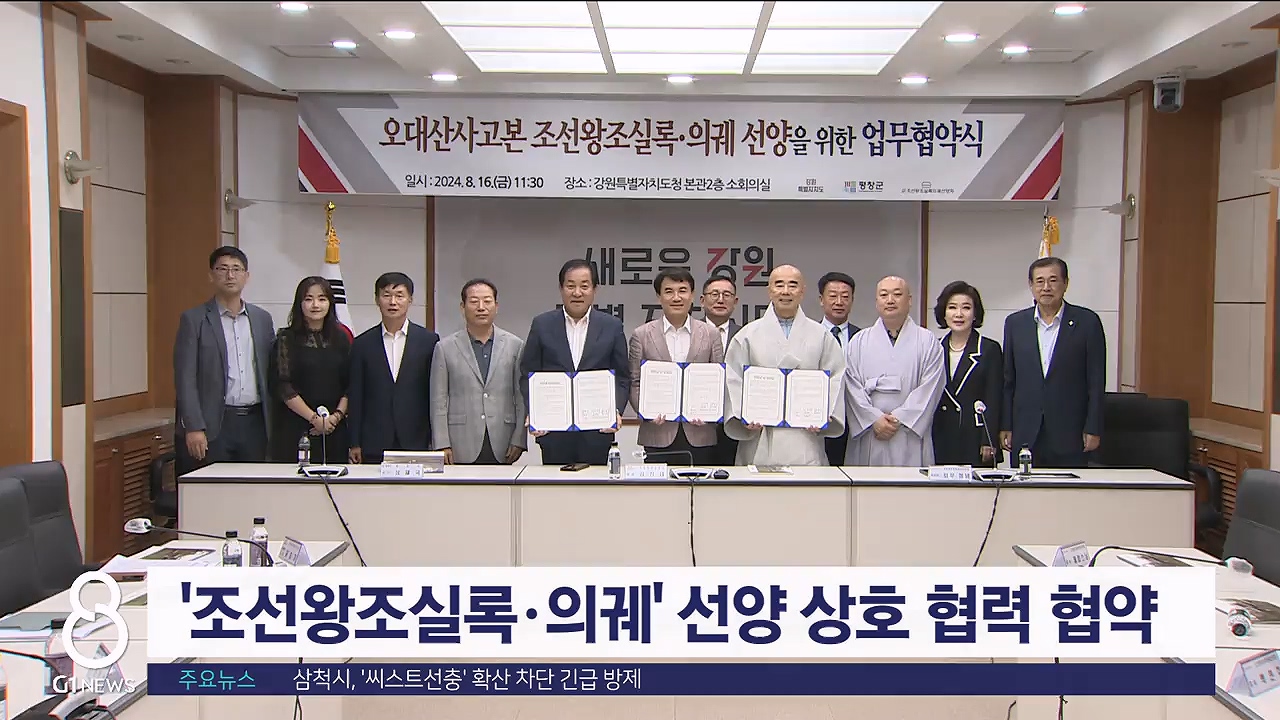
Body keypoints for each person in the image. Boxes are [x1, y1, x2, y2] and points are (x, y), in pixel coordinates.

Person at [723, 265, 845, 466]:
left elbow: (836, 376)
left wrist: (824, 416)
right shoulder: (747, 335)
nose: (786, 291)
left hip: (805, 436)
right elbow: (733, 378)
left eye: (793, 285)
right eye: (779, 285)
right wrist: (743, 416)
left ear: (802, 291)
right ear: (769, 290)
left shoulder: (821, 335)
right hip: (760, 436)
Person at [173, 246, 275, 475]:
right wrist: (194, 426)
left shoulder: (262, 319)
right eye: (223, 269)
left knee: (253, 489)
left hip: (255, 423)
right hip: (213, 425)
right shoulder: (194, 319)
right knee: (214, 490)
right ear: (211, 275)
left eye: (236, 269)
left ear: (247, 276)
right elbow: (185, 378)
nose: (230, 275)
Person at [520, 259, 629, 466]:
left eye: (584, 286)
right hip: (554, 433)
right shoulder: (542, 324)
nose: (577, 292)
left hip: (597, 432)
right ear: (561, 289)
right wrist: (534, 410)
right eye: (570, 286)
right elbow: (528, 373)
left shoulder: (612, 326)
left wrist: (615, 410)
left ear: (595, 289)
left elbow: (622, 377)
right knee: (554, 486)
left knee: (595, 486)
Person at [1001, 257, 1106, 468]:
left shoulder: (1087, 322)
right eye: (1039, 281)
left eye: (1053, 280)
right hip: (1026, 431)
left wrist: (1093, 427)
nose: (1046, 287)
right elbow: (1008, 380)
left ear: (1065, 283)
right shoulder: (1015, 324)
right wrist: (1006, 425)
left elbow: (1096, 381)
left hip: (1071, 432)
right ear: (1031, 285)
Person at [844, 276, 945, 467]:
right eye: (884, 295)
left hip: (909, 433)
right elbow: (851, 387)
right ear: (876, 302)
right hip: (870, 432)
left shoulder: (928, 341)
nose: (890, 300)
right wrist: (873, 419)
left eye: (897, 294)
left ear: (909, 300)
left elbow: (931, 388)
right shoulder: (858, 341)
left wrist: (899, 418)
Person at [629, 268, 725, 465]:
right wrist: (646, 411)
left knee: (700, 484)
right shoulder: (642, 335)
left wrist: (710, 414)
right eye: (669, 291)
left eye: (682, 291)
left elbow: (719, 380)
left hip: (700, 432)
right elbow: (634, 381)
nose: (676, 297)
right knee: (659, 485)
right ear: (659, 297)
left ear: (692, 295)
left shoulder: (711, 334)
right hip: (657, 432)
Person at [430, 279, 527, 465]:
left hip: (503, 439)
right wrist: (441, 443)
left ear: (496, 306)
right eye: (474, 301)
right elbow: (438, 400)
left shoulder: (515, 345)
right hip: (460, 440)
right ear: (462, 307)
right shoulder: (444, 348)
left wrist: (519, 439)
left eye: (487, 301)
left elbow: (520, 396)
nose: (481, 307)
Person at [347, 272, 439, 464]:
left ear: (410, 300)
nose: (393, 302)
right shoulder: (362, 344)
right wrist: (354, 441)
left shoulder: (429, 341)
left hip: (417, 438)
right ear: (377, 300)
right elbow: (356, 395)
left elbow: (435, 393)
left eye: (399, 295)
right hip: (374, 440)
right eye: (386, 295)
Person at [267, 277, 351, 464]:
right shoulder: (286, 338)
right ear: (300, 303)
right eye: (308, 299)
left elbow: (350, 384)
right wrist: (314, 419)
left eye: (322, 299)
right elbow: (283, 385)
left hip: (334, 428)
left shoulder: (341, 338)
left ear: (330, 303)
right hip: (296, 427)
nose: (315, 305)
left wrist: (335, 417)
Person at [930, 281, 1004, 468]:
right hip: (940, 436)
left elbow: (994, 397)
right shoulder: (933, 348)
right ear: (943, 312)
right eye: (952, 307)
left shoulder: (989, 349)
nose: (959, 314)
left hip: (975, 437)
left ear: (975, 313)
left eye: (966, 308)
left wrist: (988, 439)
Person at [817, 271, 862, 466]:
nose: (839, 302)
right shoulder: (809, 335)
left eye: (845, 296)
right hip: (818, 421)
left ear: (852, 301)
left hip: (854, 420)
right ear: (821, 300)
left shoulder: (863, 338)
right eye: (833, 296)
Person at [701, 274, 740, 465]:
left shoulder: (745, 335)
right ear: (702, 300)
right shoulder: (689, 333)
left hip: (735, 426)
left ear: (735, 301)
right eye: (714, 294)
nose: (720, 299)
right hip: (697, 426)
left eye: (727, 295)